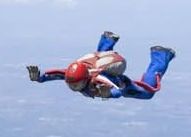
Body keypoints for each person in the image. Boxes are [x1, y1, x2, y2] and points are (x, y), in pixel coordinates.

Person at [27, 31, 174, 100]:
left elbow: (119, 90)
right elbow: (57, 74)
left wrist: (109, 94)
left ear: (85, 79)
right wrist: (39, 78)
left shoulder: (99, 81)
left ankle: (160, 56)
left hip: (118, 79)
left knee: (147, 93)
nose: (74, 88)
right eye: (72, 85)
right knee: (99, 59)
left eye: (77, 85)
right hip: (97, 62)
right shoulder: (73, 75)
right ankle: (107, 39)